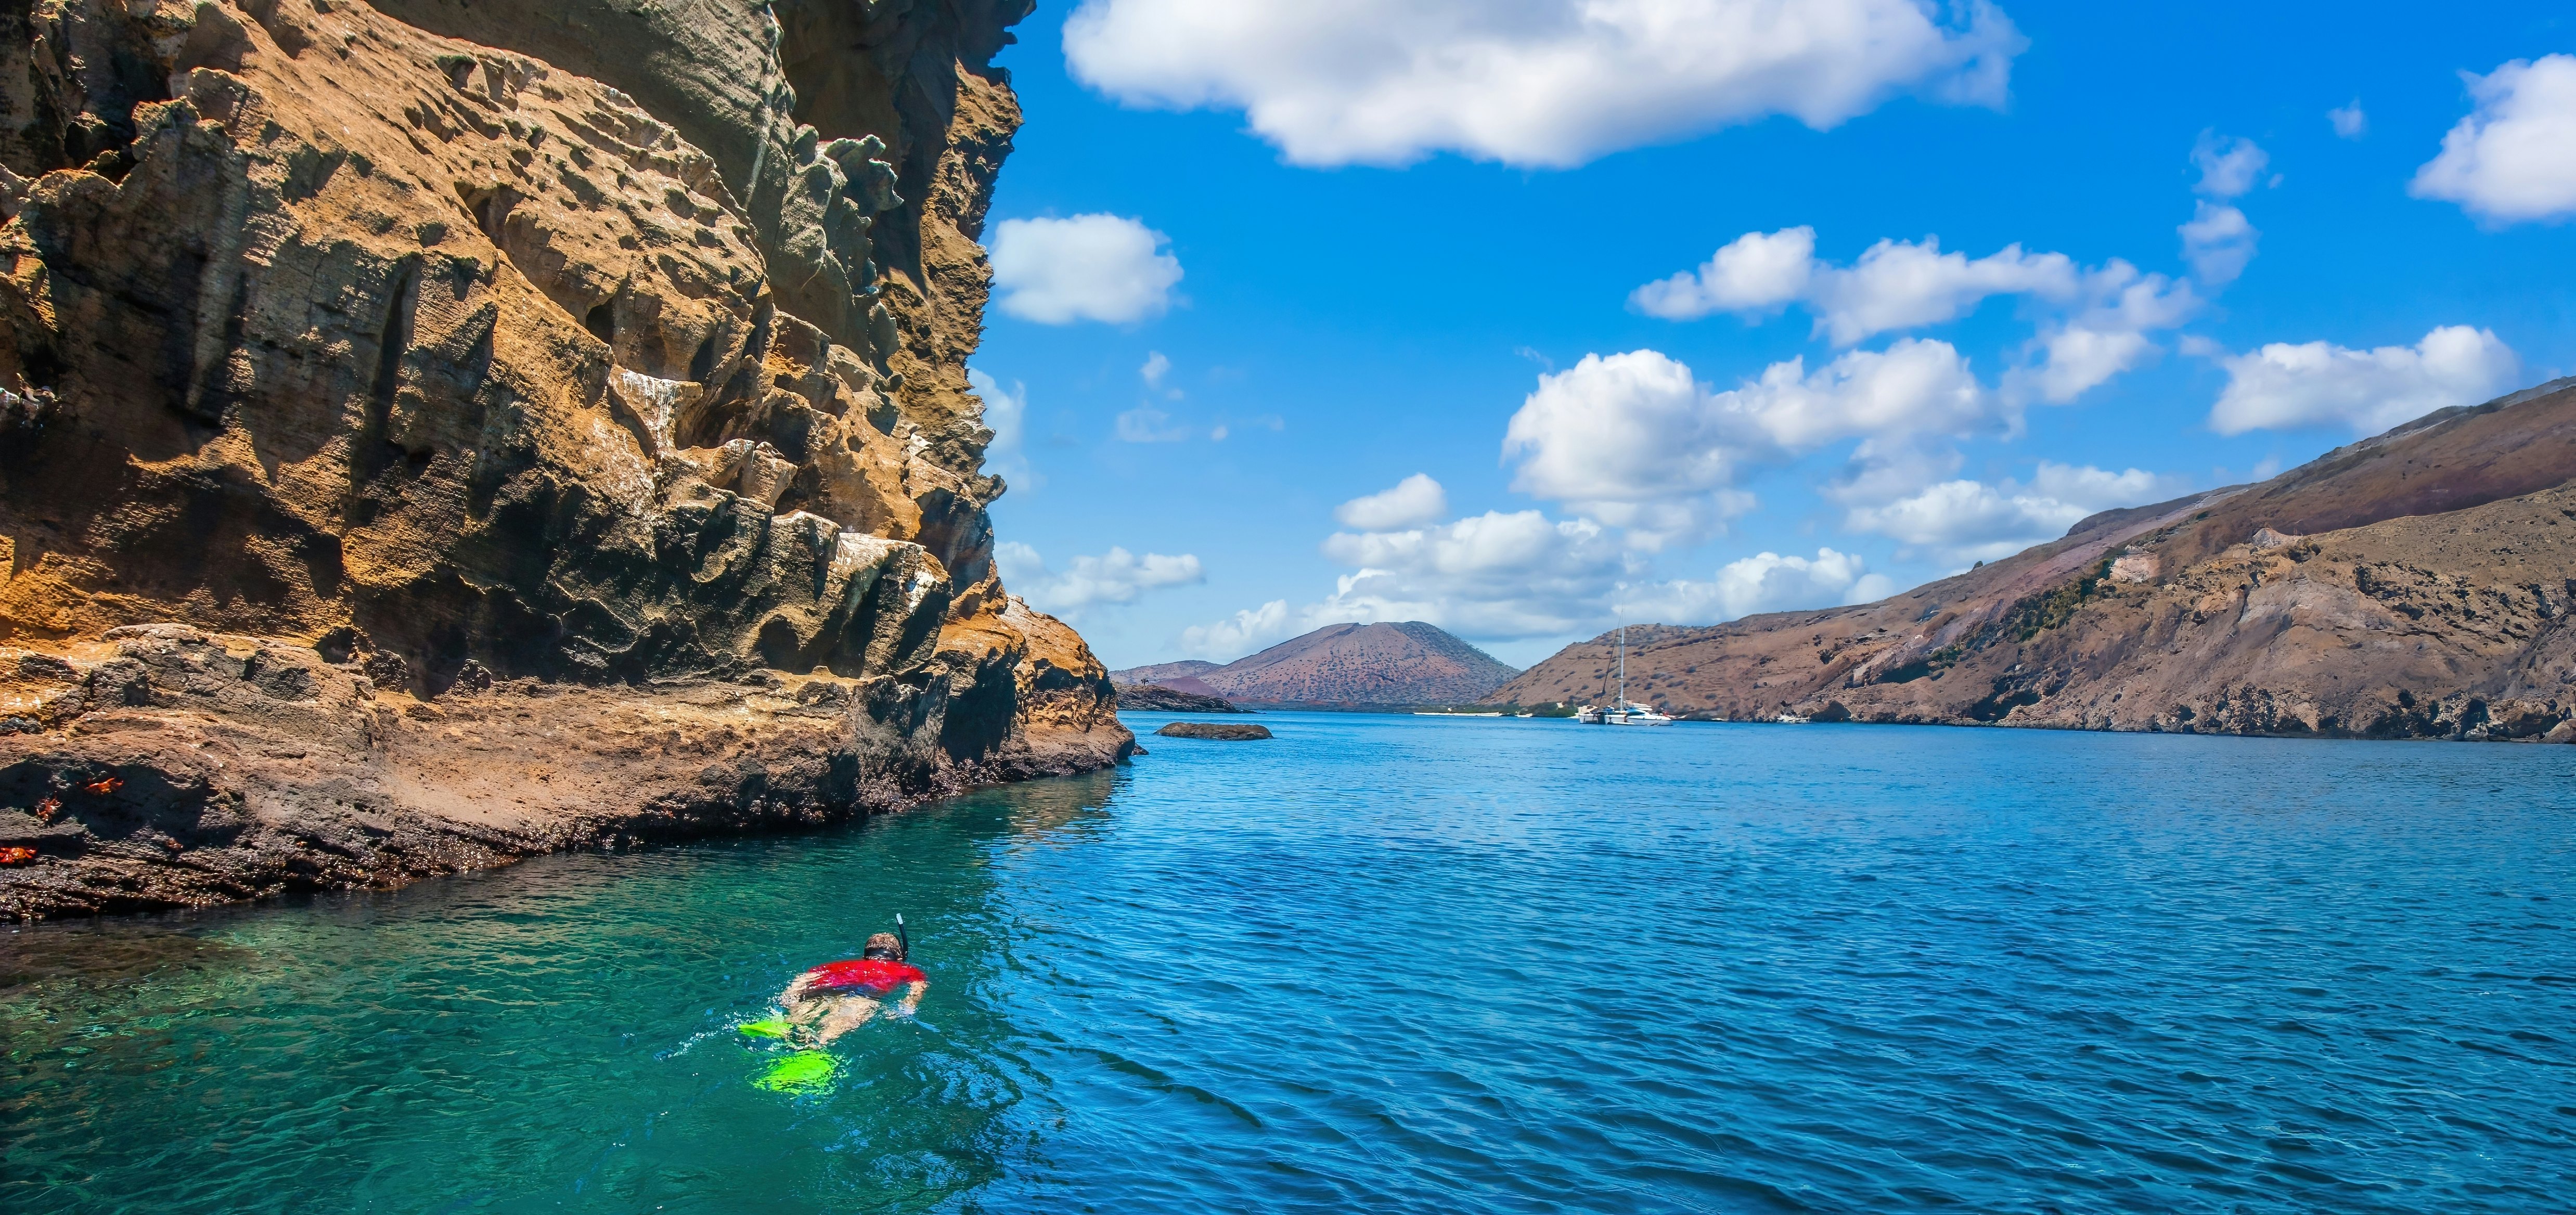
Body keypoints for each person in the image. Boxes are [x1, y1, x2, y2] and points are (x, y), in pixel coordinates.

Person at [778, 932, 927, 1045]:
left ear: (865, 957)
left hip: (823, 989)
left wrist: (791, 992)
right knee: (837, 1023)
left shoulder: (843, 964)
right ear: (899, 959)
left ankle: (787, 1026)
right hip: (862, 994)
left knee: (802, 1016)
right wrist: (907, 1007)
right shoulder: (906, 969)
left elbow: (809, 975)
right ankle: (819, 1043)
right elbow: (918, 987)